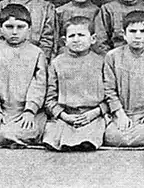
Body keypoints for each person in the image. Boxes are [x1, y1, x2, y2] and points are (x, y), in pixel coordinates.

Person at [0, 4, 48, 147]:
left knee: (29, 129)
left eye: (20, 27)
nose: (15, 32)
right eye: (9, 27)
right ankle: (12, 138)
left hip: (28, 112)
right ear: (1, 28)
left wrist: (30, 110)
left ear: (29, 29)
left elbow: (39, 85)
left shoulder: (37, 53)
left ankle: (15, 138)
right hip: (3, 111)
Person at [102, 11, 144, 147]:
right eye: (132, 31)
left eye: (143, 31)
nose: (137, 36)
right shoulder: (113, 56)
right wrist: (119, 113)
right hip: (122, 113)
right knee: (113, 136)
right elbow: (108, 89)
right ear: (124, 34)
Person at [43, 16, 107, 151]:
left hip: (92, 115)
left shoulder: (101, 62)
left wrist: (96, 112)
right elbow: (49, 97)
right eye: (72, 36)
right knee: (53, 137)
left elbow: (111, 94)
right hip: (65, 116)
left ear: (93, 39)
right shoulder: (57, 63)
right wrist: (64, 115)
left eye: (81, 35)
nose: (76, 39)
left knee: (89, 138)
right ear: (65, 41)